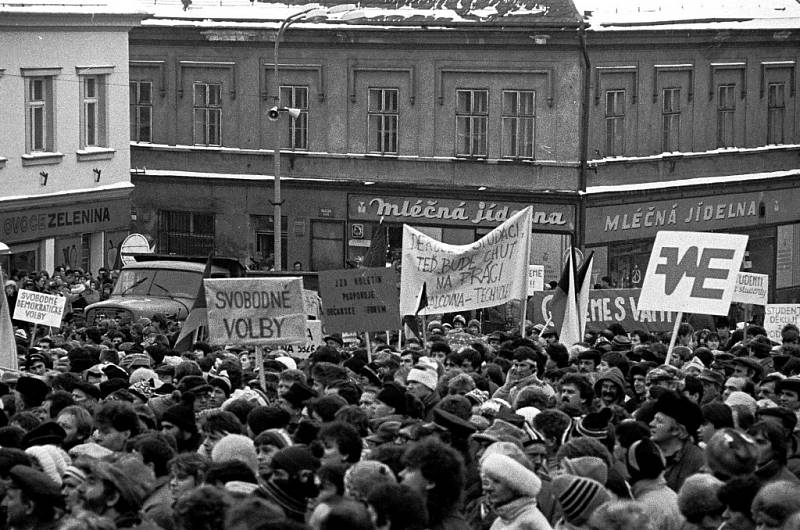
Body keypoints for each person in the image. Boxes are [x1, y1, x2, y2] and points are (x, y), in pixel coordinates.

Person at [400, 437, 468, 530]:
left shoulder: (448, 527)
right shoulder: (420, 517)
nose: (401, 474)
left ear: (430, 481)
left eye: (410, 469)